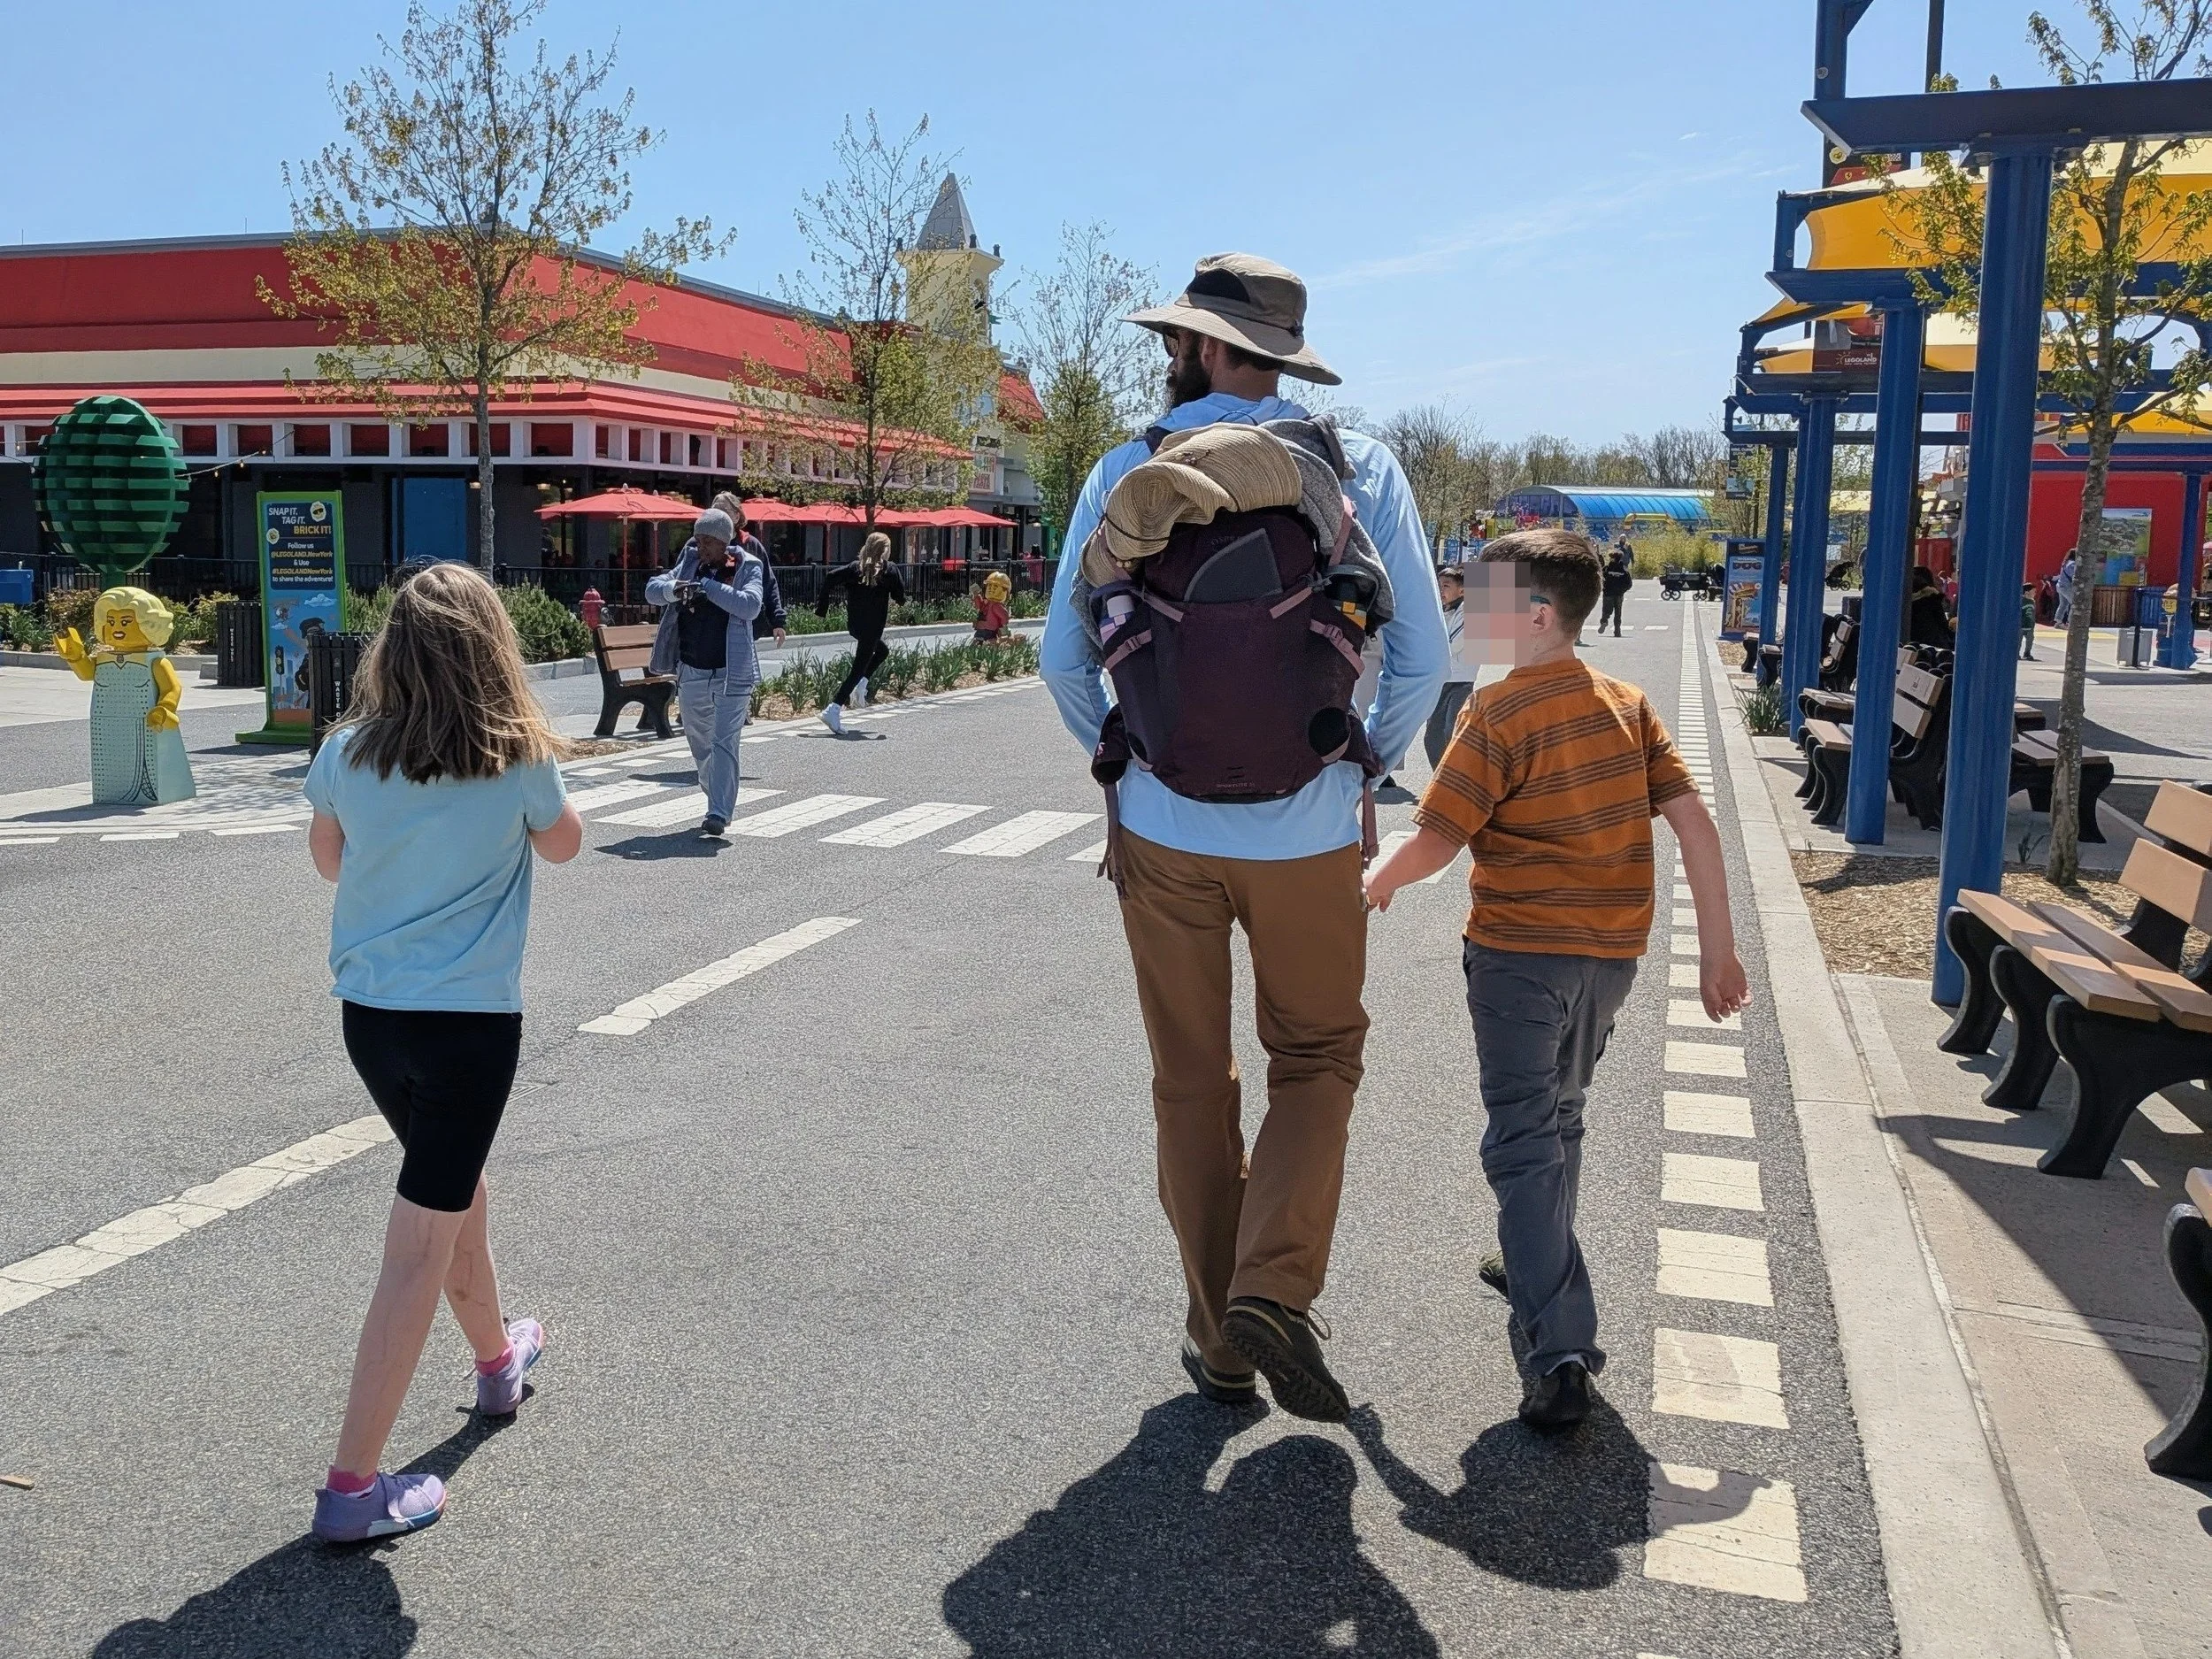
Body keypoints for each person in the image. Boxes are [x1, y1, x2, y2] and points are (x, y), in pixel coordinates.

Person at [1041, 252, 1448, 1421]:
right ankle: (1274, 1285)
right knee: (1316, 1057)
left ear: (1204, 347)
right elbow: (1419, 652)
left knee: (1190, 1076)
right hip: (1311, 832)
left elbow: (1063, 657)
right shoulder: (1358, 467)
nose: (1170, 355)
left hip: (1163, 832)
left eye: (1180, 339)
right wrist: (1355, 753)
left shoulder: (1127, 468)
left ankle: (1221, 1337)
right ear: (1279, 356)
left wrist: (1129, 762)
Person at [1362, 528, 1748, 1432]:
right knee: (1561, 1116)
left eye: (1484, 599)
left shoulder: (1494, 715)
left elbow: (1438, 838)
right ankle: (1536, 1254)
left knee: (1521, 1140)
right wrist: (1717, 952)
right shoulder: (1625, 704)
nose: (1468, 611)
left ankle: (1560, 1344)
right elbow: (1695, 827)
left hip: (1517, 956)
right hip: (1610, 958)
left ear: (1534, 616)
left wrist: (1378, 881)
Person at [301, 562, 584, 1542]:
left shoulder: (344, 751)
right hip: (468, 1025)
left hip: (370, 1016)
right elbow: (564, 846)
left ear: (393, 649)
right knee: (418, 1241)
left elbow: (328, 855)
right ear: (490, 650)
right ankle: (351, 1487)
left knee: (455, 1191)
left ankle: (499, 1365)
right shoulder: (517, 756)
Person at [647, 508, 765, 837]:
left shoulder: (747, 567)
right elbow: (653, 589)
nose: (701, 548)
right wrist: (676, 589)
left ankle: (718, 812)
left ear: (724, 542)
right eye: (698, 540)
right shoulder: (688, 563)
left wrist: (707, 588)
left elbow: (751, 606)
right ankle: (715, 792)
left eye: (708, 542)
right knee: (701, 744)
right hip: (692, 670)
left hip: (732, 673)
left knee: (724, 741)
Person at [816, 531, 907, 735]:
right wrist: (899, 599)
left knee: (882, 652)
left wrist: (822, 609)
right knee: (858, 669)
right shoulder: (889, 570)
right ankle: (834, 708)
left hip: (856, 626)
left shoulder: (855, 568)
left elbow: (830, 577)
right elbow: (901, 596)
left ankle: (862, 686)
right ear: (885, 550)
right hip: (873, 628)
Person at [710, 492, 786, 648]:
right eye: (714, 510)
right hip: (709, 626)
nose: (718, 515)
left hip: (744, 626)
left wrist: (777, 621)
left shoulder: (752, 545)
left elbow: (768, 583)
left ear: (737, 516)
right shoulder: (699, 543)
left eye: (723, 511)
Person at [1425, 565, 1477, 769]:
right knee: (1432, 737)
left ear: (1462, 590)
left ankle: (1457, 779)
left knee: (1451, 731)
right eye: (1438, 585)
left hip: (1461, 681)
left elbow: (1452, 645)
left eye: (1446, 586)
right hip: (1441, 680)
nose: (1440, 590)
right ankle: (1442, 779)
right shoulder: (1441, 611)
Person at [1907, 565, 1954, 649]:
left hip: (1910, 643)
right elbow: (1942, 624)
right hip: (1934, 645)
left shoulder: (1904, 600)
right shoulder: (1932, 597)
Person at [1597, 544, 1633, 638]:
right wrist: (1622, 590)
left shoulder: (1607, 569)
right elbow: (1629, 583)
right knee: (1618, 613)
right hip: (1619, 595)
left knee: (1606, 610)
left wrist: (1603, 588)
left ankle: (1604, 621)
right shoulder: (1624, 569)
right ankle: (1617, 631)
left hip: (1608, 593)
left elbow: (1600, 579)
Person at [972, 568, 1011, 643]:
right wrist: (977, 596)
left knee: (985, 642)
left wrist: (1003, 627)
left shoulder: (996, 606)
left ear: (1004, 591)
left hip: (990, 629)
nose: (991, 589)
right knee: (980, 642)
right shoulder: (987, 603)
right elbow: (979, 606)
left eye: (995, 587)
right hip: (982, 628)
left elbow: (1004, 616)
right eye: (989, 586)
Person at [2055, 549, 2079, 626]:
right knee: (2074, 603)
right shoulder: (2072, 564)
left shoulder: (2065, 563)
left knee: (2063, 604)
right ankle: (2070, 622)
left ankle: (2058, 622)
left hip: (2060, 585)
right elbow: (2074, 576)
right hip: (2067, 586)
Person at [2020, 582, 2039, 661]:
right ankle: (2016, 653)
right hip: (2021, 625)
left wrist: (2033, 624)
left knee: (2030, 639)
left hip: (2030, 625)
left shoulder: (2032, 602)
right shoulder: (2021, 601)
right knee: (2018, 640)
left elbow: (2033, 614)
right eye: (2033, 591)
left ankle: (2027, 653)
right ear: (2027, 592)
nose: (2035, 593)